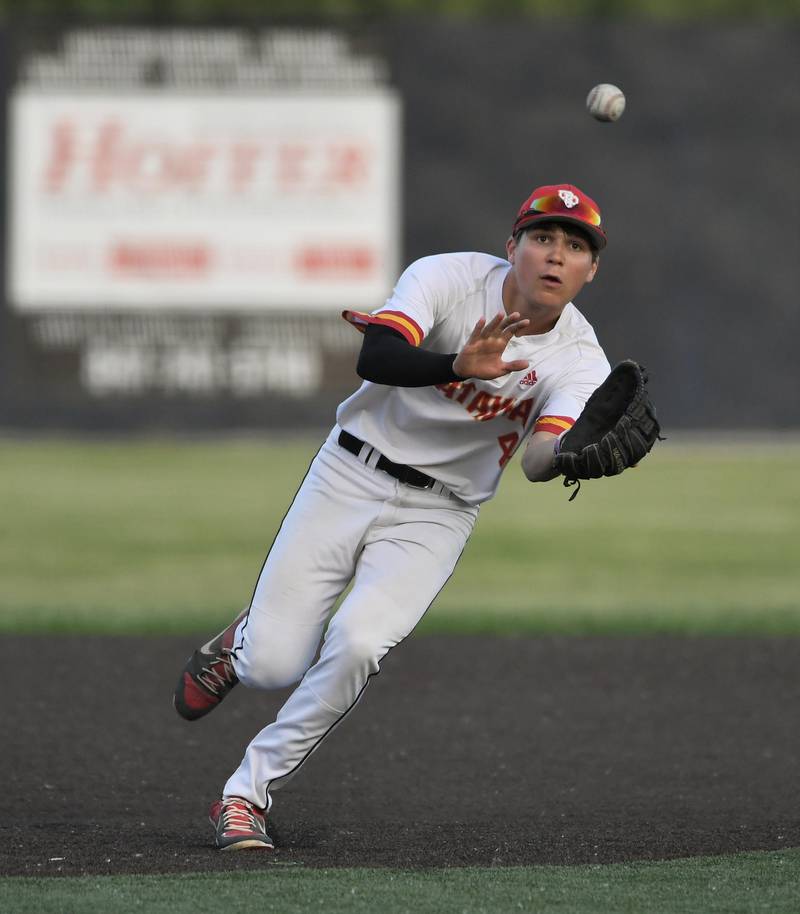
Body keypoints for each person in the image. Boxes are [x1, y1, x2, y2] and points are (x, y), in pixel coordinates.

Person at [174, 183, 612, 850]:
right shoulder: (448, 278)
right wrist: (454, 364)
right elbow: (374, 354)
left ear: (591, 269)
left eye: (574, 246)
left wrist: (577, 457)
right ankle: (244, 644)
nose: (556, 255)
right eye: (543, 238)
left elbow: (538, 459)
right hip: (349, 470)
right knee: (271, 665)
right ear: (511, 248)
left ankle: (245, 796)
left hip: (439, 513)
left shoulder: (580, 360)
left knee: (357, 644)